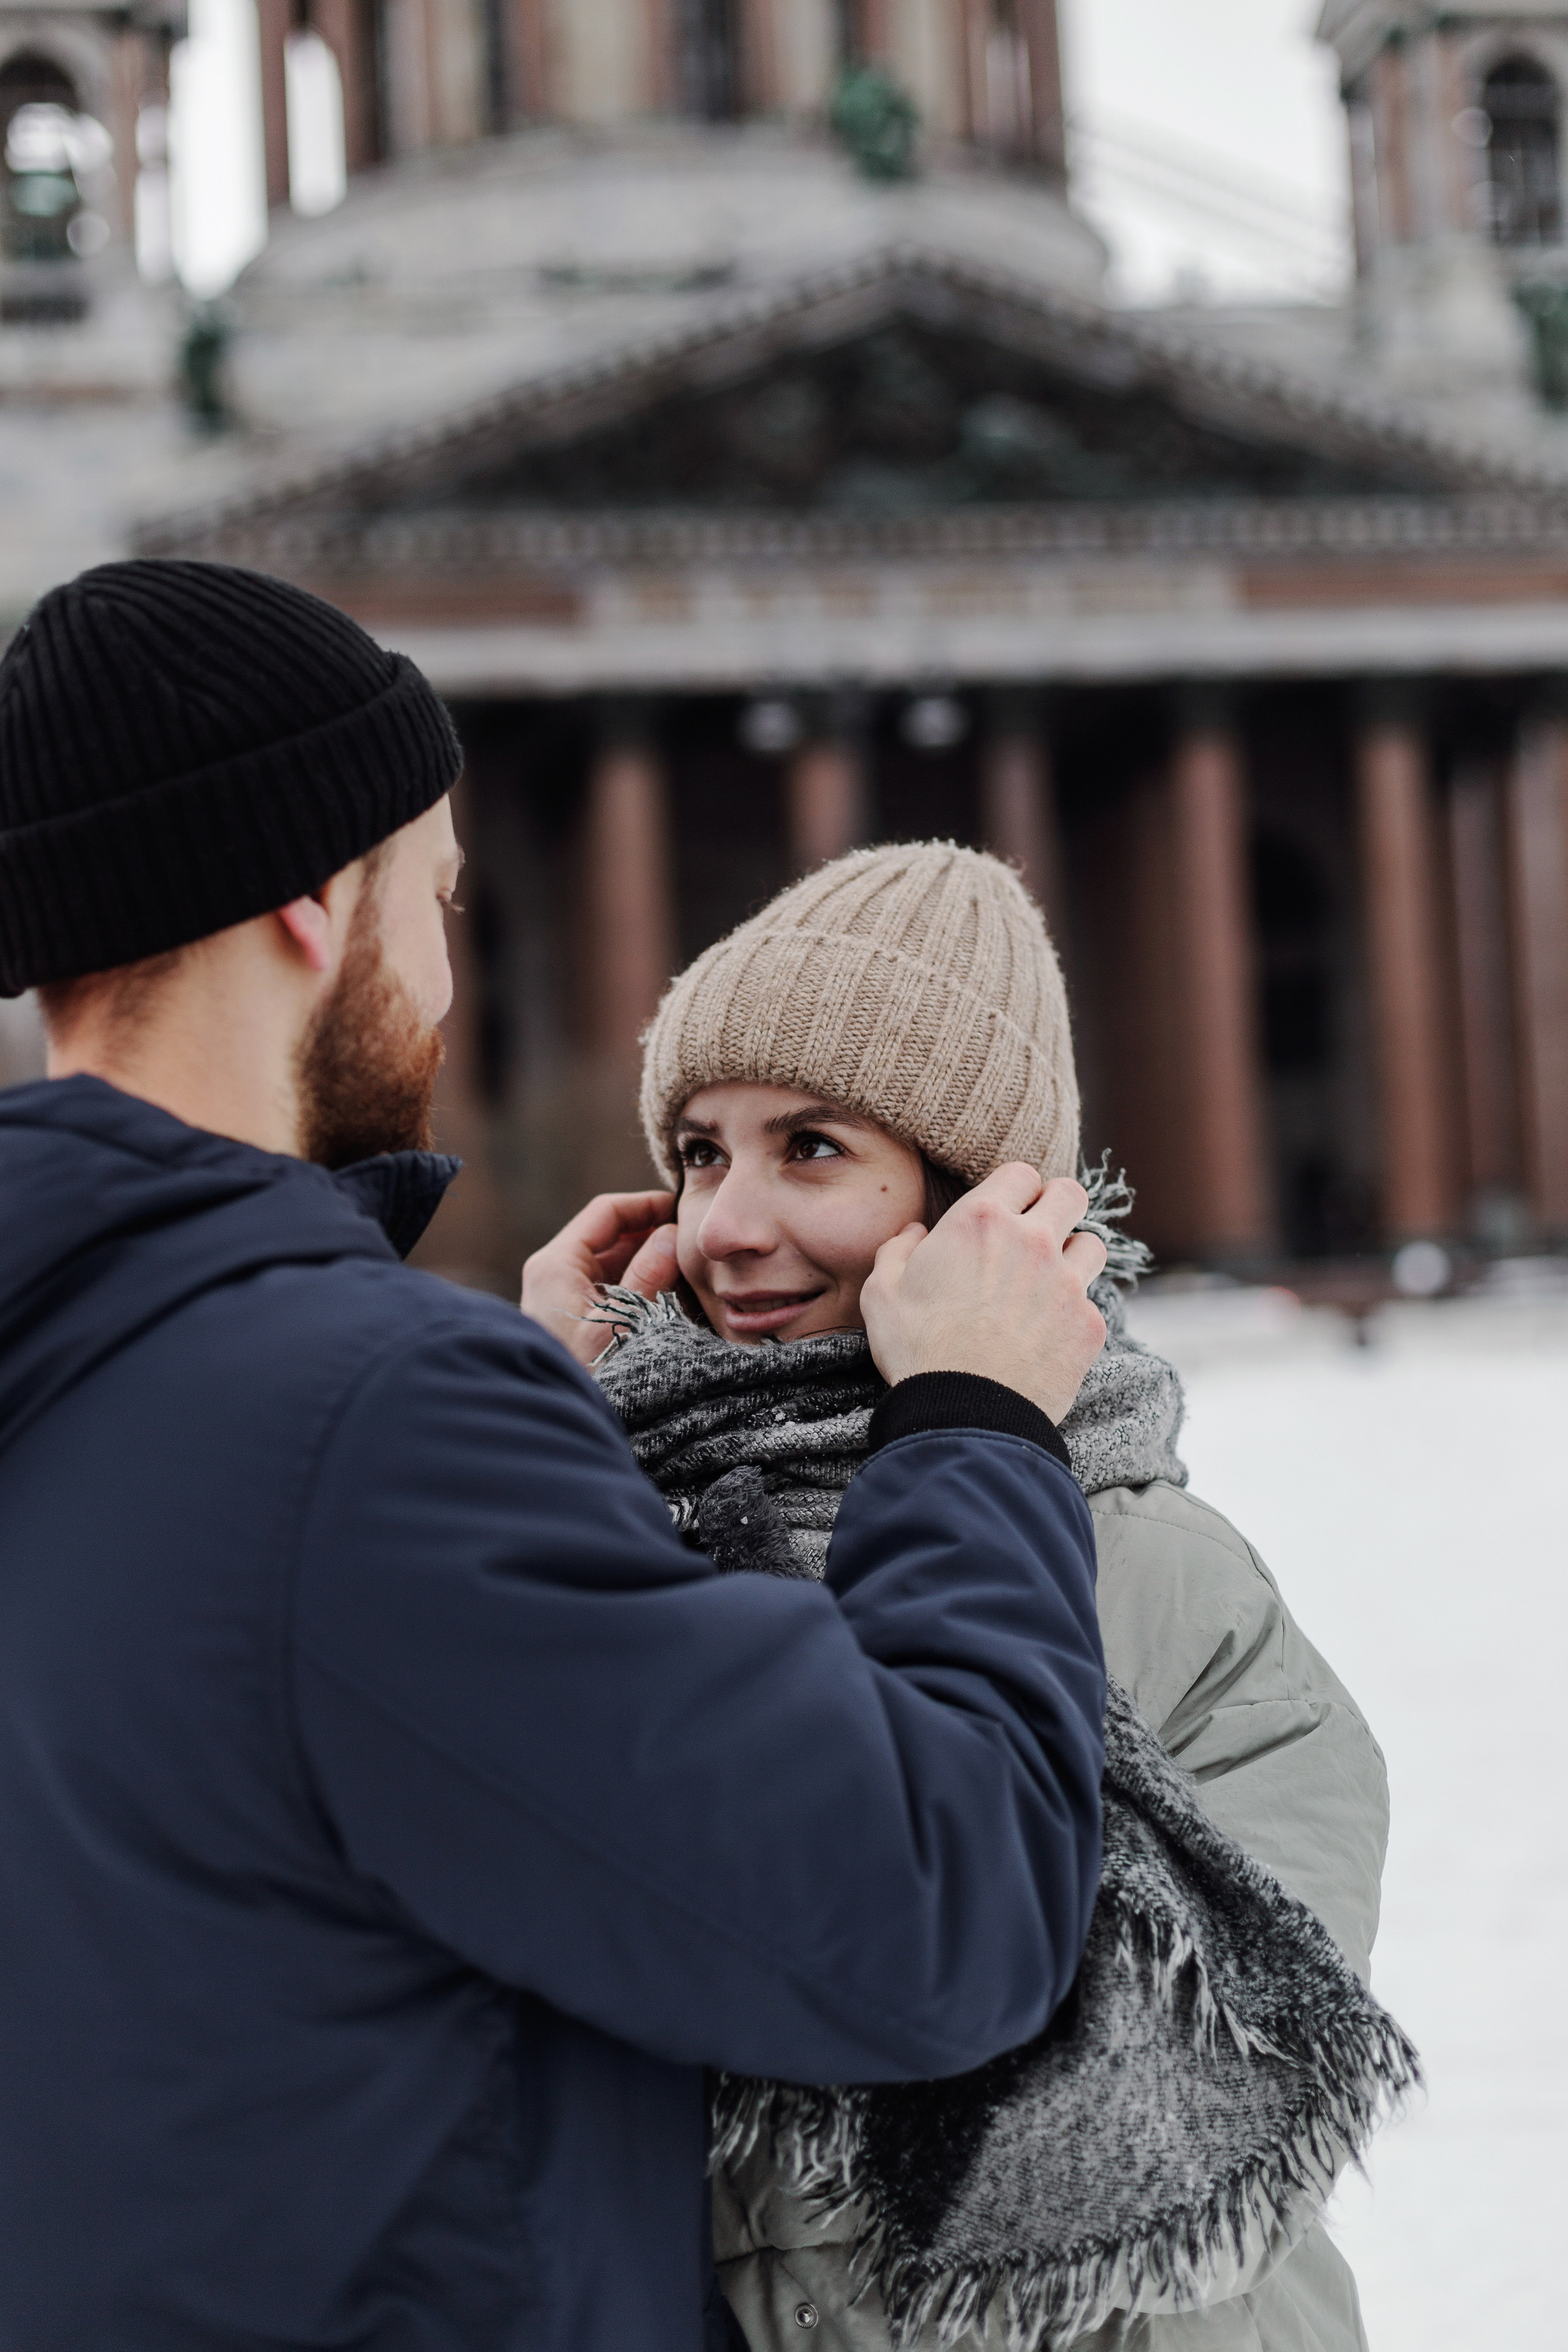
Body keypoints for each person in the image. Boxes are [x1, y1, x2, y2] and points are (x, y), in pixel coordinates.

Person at [0, 564, 1116, 2352]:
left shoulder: (83, 1364)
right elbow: (936, 1914)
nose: (448, 971)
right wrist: (972, 1422)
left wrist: (489, 1439)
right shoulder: (365, 1435)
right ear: (313, 901)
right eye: (436, 896)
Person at [524, 843, 1396, 2352]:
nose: (727, 1225)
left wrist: (963, 1418)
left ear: (981, 1203)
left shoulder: (1155, 1574)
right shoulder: (623, 1524)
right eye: (699, 1151)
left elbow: (1175, 2072)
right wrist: (532, 1436)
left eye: (809, 1148)